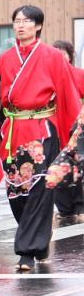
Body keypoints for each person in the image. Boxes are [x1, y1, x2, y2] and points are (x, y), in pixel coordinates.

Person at [0, 5, 80, 271]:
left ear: (38, 26)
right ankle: (39, 243)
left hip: (43, 132)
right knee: (17, 193)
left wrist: (74, 136)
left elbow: (68, 97)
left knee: (41, 188)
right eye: (16, 21)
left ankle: (27, 251)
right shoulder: (5, 60)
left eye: (27, 21)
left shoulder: (53, 57)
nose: (21, 25)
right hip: (13, 132)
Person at [50, 40, 84, 217]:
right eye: (56, 53)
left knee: (77, 164)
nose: (60, 56)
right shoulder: (47, 76)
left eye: (63, 53)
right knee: (55, 164)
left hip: (75, 126)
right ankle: (63, 206)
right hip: (52, 126)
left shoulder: (79, 74)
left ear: (70, 56)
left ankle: (80, 204)